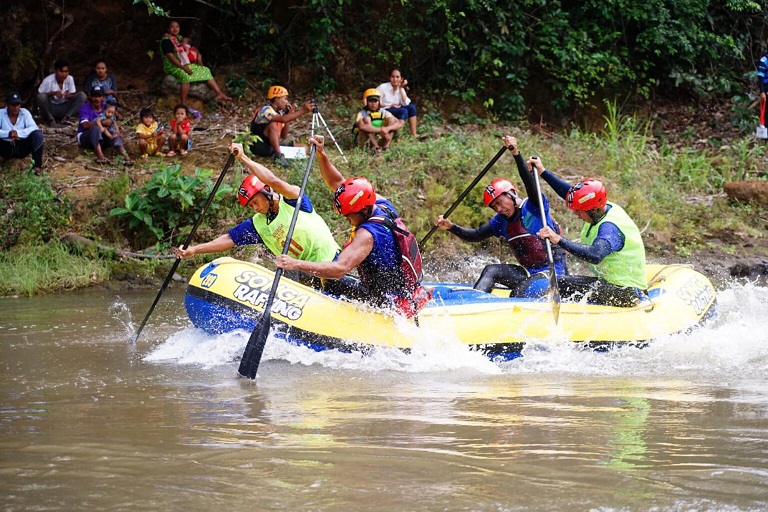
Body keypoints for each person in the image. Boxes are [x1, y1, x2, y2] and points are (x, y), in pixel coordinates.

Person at [174, 142, 364, 298]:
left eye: (255, 202)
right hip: (306, 275)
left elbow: (274, 181)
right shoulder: (258, 224)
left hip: (332, 264)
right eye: (251, 206)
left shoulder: (293, 199)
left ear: (266, 192)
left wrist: (243, 158)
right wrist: (194, 250)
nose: (255, 208)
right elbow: (229, 239)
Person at [275, 135, 428, 317]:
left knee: (328, 281)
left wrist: (295, 263)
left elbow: (339, 269)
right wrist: (322, 154)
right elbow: (338, 184)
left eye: (348, 215)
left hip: (387, 303)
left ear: (363, 210)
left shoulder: (367, 235)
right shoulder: (379, 203)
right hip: (402, 289)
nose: (346, 219)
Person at [434, 136, 567, 296]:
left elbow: (530, 184)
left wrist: (516, 154)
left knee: (519, 292)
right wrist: (451, 226)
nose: (499, 208)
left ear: (511, 194)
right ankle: (475, 301)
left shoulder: (533, 207)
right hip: (528, 272)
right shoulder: (501, 221)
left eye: (500, 202)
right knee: (491, 270)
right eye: (494, 206)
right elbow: (476, 235)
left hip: (552, 273)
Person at [532, 157, 648, 307]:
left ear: (592, 210)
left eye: (579, 211)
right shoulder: (600, 207)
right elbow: (570, 194)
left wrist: (558, 239)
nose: (576, 214)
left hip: (627, 292)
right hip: (612, 285)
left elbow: (595, 255)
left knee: (561, 283)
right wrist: (542, 171)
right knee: (564, 283)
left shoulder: (610, 227)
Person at [160, 19, 232, 104]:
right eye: (172, 27)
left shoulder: (179, 38)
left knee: (205, 70)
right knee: (185, 77)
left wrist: (199, 55)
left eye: (177, 27)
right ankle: (183, 104)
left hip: (184, 64)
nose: (175, 29)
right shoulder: (166, 40)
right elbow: (171, 57)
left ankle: (219, 93)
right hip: (173, 66)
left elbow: (191, 48)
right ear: (168, 29)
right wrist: (184, 68)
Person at [249, 85, 313, 168]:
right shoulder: (266, 110)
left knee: (303, 148)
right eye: (285, 99)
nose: (287, 102)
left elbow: (284, 135)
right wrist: (303, 110)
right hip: (260, 145)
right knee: (272, 125)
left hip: (272, 147)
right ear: (277, 100)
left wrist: (289, 115)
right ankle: (279, 156)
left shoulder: (280, 114)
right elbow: (283, 119)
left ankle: (282, 156)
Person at [77, 86, 131, 164]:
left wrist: (117, 131)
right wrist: (102, 123)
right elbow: (85, 125)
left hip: (103, 137)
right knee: (96, 128)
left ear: (103, 97)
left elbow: (115, 119)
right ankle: (100, 156)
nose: (97, 99)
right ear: (90, 97)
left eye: (99, 96)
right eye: (94, 96)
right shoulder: (84, 107)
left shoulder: (106, 107)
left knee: (114, 133)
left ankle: (126, 157)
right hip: (85, 138)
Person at [0, 91, 44, 173]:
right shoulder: (1, 113)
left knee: (38, 134)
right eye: (13, 105)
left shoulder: (25, 112)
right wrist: (8, 134)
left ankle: (37, 166)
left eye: (18, 104)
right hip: (5, 147)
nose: (16, 107)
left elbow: (33, 127)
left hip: (21, 147)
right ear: (7, 104)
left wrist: (18, 133)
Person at [36, 58, 86, 127]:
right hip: (51, 107)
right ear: (55, 71)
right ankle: (50, 119)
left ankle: (66, 118)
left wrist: (68, 95)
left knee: (82, 95)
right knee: (41, 97)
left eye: (66, 71)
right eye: (61, 71)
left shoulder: (70, 79)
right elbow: (39, 95)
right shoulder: (48, 80)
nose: (64, 74)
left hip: (64, 107)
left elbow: (73, 94)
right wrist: (53, 93)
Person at [354, 88, 403, 154]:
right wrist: (381, 130)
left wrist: (387, 128)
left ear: (379, 102)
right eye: (370, 101)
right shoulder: (362, 113)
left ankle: (386, 146)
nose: (373, 104)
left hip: (380, 137)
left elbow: (399, 123)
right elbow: (362, 126)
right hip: (365, 141)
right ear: (366, 102)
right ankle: (376, 147)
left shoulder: (383, 112)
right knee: (366, 120)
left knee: (392, 120)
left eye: (375, 101)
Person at [377, 69, 418, 136]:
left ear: (401, 79)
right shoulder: (383, 87)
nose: (395, 79)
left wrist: (401, 88)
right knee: (403, 111)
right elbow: (376, 103)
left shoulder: (400, 88)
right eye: (392, 77)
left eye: (397, 77)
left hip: (395, 110)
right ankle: (397, 133)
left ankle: (413, 134)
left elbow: (405, 103)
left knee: (412, 107)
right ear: (389, 78)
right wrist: (390, 105)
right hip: (384, 110)